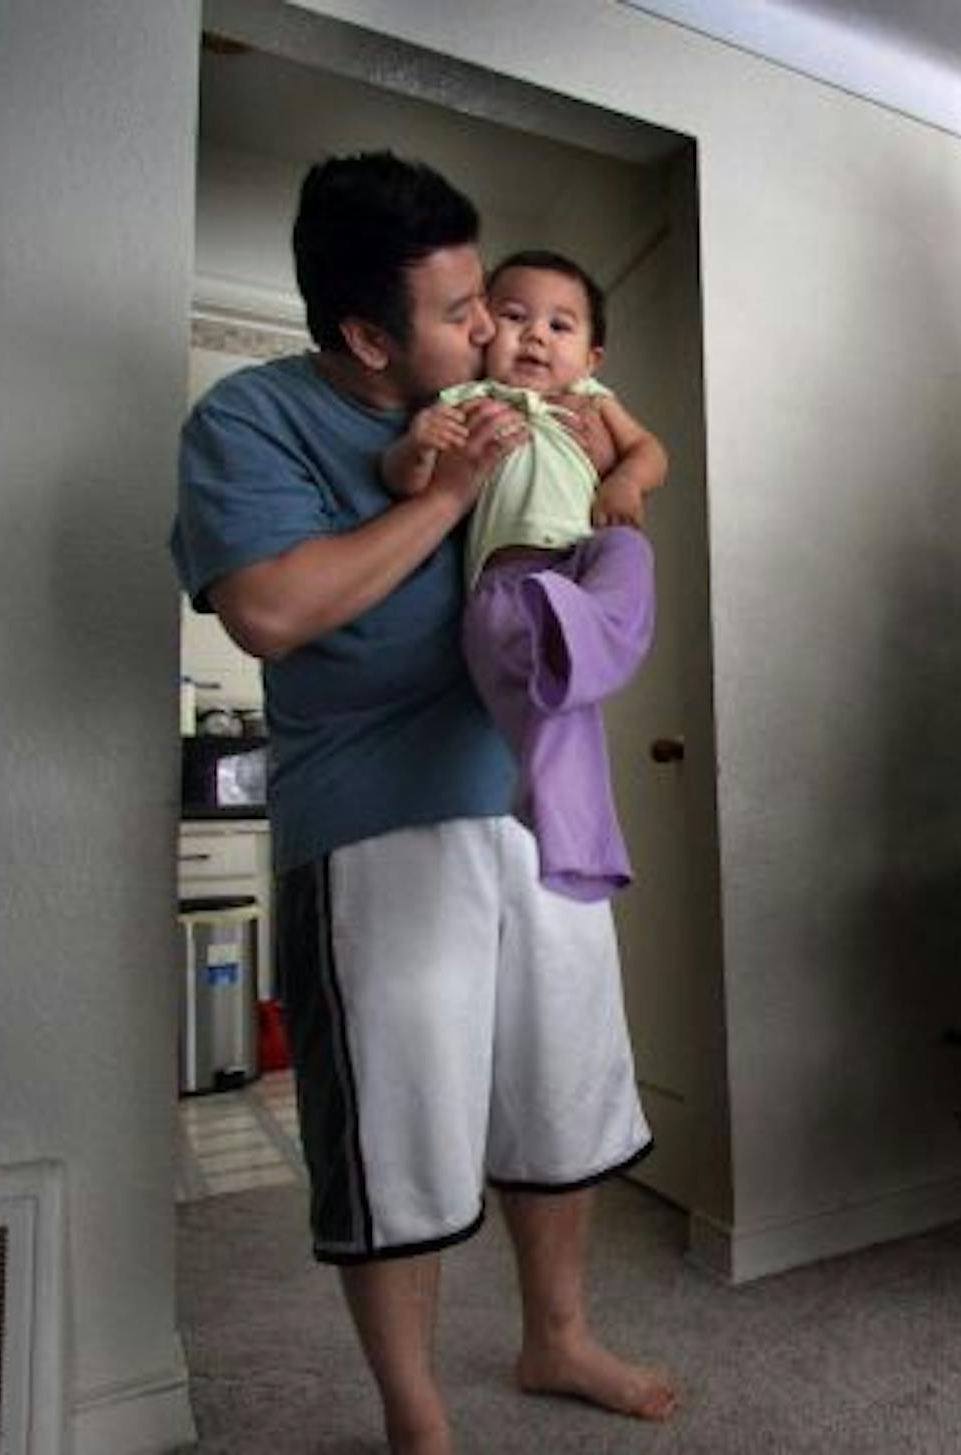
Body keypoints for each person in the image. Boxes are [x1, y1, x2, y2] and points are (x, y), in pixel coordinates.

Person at [171, 152, 676, 1454]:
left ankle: (555, 1333)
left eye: (490, 301)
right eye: (460, 312)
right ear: (360, 333)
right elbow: (272, 608)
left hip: (539, 806)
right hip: (376, 829)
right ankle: (417, 1417)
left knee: (558, 1095)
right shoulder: (253, 418)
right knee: (396, 1136)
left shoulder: (514, 395)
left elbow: (611, 480)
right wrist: (447, 494)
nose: (490, 329)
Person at [381, 250, 666, 902]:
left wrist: (623, 478)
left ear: (593, 357)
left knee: (631, 550)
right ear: (483, 332)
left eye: (560, 325)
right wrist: (419, 442)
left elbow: (653, 452)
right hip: (512, 584)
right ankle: (580, 854)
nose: (536, 333)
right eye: (515, 316)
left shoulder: (592, 401)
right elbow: (405, 479)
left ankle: (588, 634)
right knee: (558, 716)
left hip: (582, 562)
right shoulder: (469, 399)